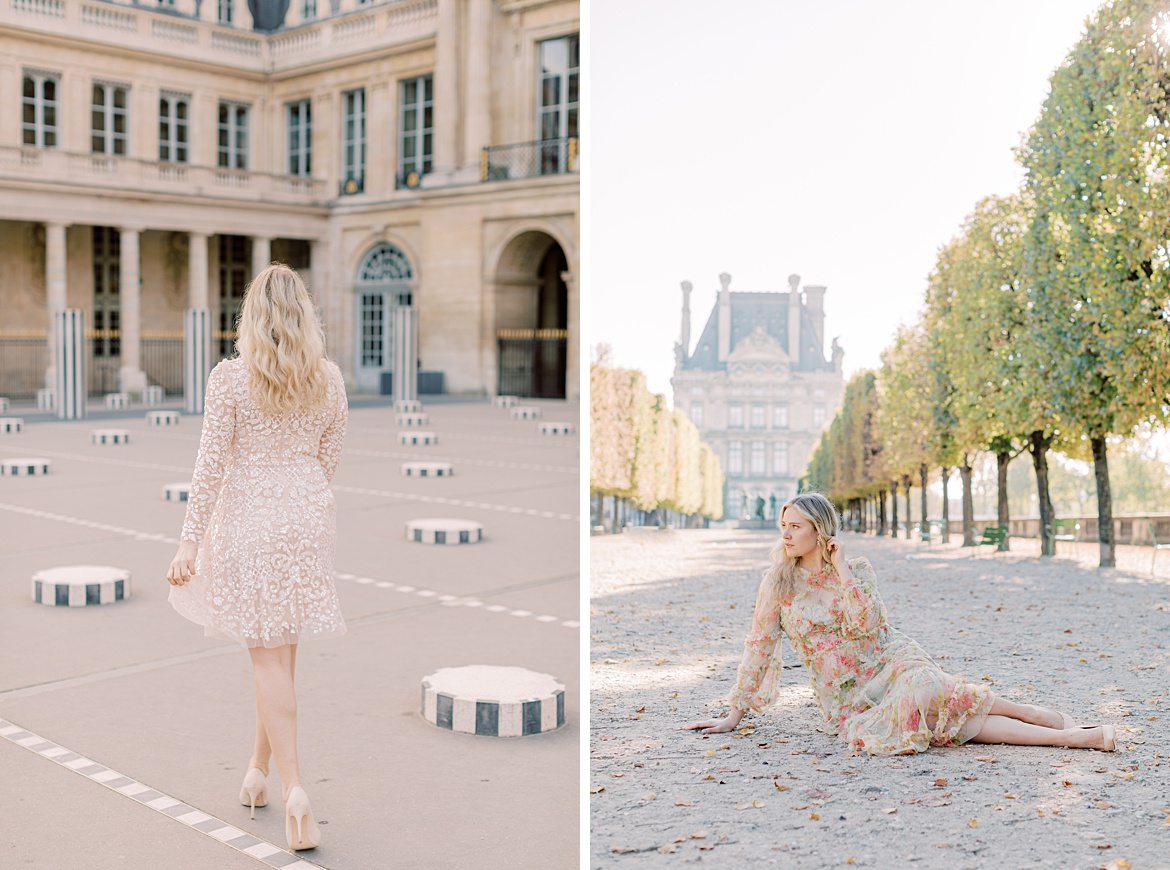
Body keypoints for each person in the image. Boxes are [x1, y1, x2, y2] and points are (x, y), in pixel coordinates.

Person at [684, 492, 1117, 755]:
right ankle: (1057, 729)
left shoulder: (857, 571)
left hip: (888, 659)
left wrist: (842, 571)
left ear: (820, 532)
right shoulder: (776, 583)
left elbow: (870, 628)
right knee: (929, 708)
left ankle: (1058, 731)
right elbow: (758, 646)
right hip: (849, 695)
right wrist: (733, 715)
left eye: (795, 526)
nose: (786, 534)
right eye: (784, 525)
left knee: (929, 692)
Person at [165, 262, 349, 851]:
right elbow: (329, 456)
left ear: (252, 317)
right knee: (280, 658)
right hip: (305, 521)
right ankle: (256, 771)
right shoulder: (329, 379)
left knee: (267, 658)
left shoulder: (231, 379)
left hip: (248, 523)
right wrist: (301, 499)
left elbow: (209, 466)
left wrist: (189, 539)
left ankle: (296, 788)